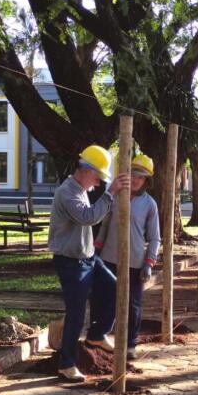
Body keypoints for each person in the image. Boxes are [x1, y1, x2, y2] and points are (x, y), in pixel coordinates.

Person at [48, 145, 131, 382]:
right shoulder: (68, 192)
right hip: (70, 261)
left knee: (115, 287)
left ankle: (96, 334)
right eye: (97, 177)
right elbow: (89, 217)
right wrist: (111, 192)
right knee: (77, 312)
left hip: (87, 256)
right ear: (85, 170)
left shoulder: (80, 188)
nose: (97, 183)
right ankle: (67, 364)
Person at [94, 153, 161, 360]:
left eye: (140, 177)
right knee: (103, 299)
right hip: (109, 258)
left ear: (146, 181)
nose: (135, 180)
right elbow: (105, 224)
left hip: (134, 261)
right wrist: (97, 248)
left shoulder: (149, 204)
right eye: (133, 175)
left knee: (133, 304)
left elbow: (155, 237)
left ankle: (130, 343)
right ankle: (98, 337)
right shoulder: (114, 195)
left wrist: (149, 263)